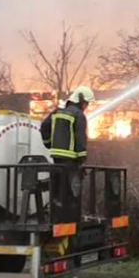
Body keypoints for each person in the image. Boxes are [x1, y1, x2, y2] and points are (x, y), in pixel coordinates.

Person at [40, 86, 94, 221]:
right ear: (81, 100)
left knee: (58, 188)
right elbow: (80, 138)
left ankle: (56, 215)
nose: (87, 106)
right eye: (87, 103)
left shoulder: (57, 112)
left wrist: (48, 143)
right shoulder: (78, 115)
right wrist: (82, 160)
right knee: (71, 191)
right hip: (71, 159)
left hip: (56, 158)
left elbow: (44, 126)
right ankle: (69, 218)